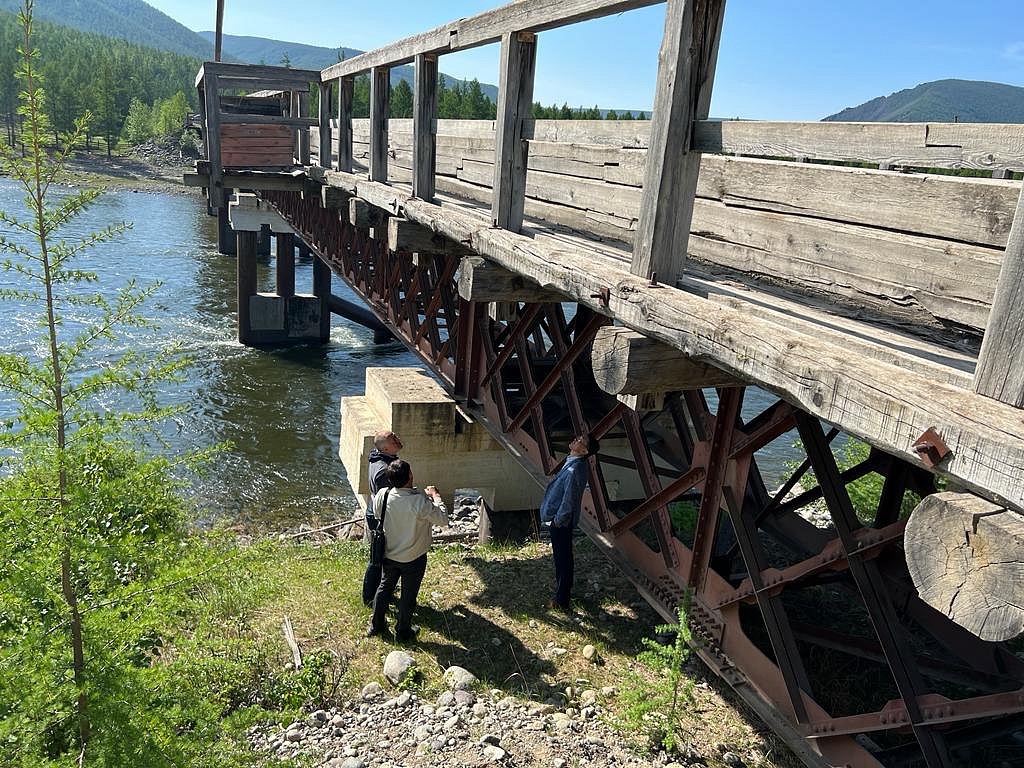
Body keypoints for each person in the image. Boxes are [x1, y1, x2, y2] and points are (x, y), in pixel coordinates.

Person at [367, 459, 449, 642]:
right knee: (408, 596)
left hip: (388, 553)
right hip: (414, 557)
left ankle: (376, 624)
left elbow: (376, 512)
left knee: (384, 588)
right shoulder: (419, 502)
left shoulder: (383, 494)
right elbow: (443, 519)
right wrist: (435, 497)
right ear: (410, 476)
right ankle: (403, 631)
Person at [539, 433, 599, 611]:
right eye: (579, 436)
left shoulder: (574, 470)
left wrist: (558, 520)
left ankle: (561, 599)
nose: (577, 439)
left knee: (562, 558)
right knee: (562, 556)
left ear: (584, 450)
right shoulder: (573, 462)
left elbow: (569, 500)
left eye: (581, 440)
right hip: (559, 520)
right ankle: (561, 590)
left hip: (561, 522)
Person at [362, 429, 403, 605]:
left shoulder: (378, 456)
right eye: (393, 439)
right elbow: (386, 502)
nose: (397, 439)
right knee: (378, 558)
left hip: (377, 512)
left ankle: (381, 591)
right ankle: (370, 597)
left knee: (381, 556)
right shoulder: (383, 472)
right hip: (380, 517)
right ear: (386, 448)